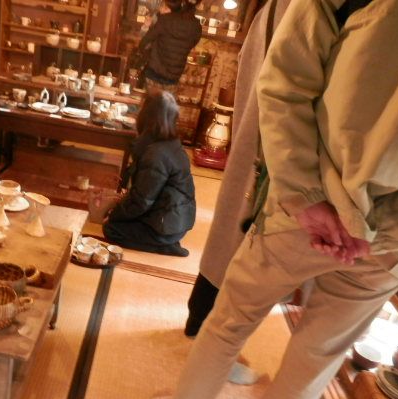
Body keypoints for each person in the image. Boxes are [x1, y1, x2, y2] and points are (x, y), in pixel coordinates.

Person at [150, 0, 398, 399]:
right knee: (318, 357)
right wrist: (381, 231)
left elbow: (284, 83)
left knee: (230, 320)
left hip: (311, 209)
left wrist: (306, 197)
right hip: (392, 246)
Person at [185, 0, 292, 338]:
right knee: (245, 247)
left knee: (228, 235)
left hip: (255, 139)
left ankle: (201, 322)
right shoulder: (299, 10)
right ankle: (212, 334)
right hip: (272, 147)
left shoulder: (270, 10)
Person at [103, 91, 195, 257]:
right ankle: (164, 241)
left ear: (147, 117)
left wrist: (114, 215)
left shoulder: (155, 155)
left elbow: (141, 201)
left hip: (164, 226)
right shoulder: (172, 144)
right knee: (119, 215)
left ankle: (165, 246)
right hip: (175, 221)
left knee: (111, 229)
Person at [135, 0, 202, 93]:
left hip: (155, 72)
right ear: (198, 5)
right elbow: (192, 44)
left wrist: (149, 54)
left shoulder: (165, 19)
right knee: (166, 102)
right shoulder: (196, 26)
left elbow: (144, 43)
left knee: (150, 101)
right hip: (174, 76)